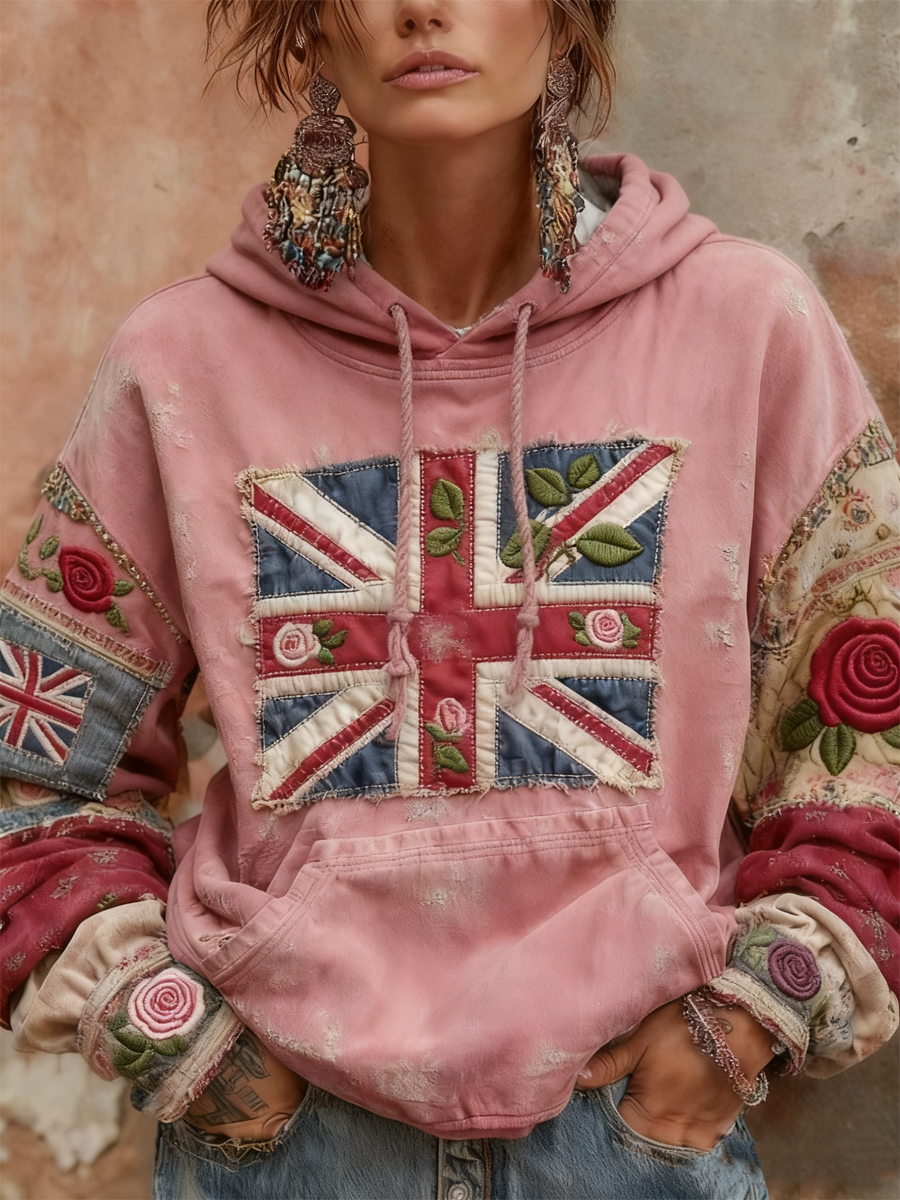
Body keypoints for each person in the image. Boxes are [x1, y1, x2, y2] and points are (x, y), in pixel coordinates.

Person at [2, 1, 899, 1196]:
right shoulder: (181, 363)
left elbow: (874, 730)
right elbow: (39, 761)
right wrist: (176, 1038)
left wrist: (748, 1019)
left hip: (633, 1144)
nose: (423, 6)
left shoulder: (747, 329)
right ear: (312, 35)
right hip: (290, 1147)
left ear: (568, 20)